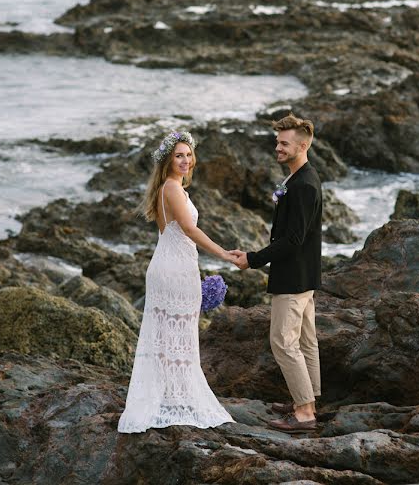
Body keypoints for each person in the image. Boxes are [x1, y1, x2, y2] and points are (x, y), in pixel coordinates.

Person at [118, 130, 235, 433]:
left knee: (174, 335)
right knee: (176, 334)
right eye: (178, 155)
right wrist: (222, 252)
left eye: (188, 154)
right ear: (168, 161)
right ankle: (174, 399)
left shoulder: (174, 190)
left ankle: (170, 396)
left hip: (173, 265)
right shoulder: (170, 188)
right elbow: (188, 228)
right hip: (173, 271)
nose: (185, 160)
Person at [232, 114, 322, 433]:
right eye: (277, 142)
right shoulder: (300, 179)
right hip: (305, 276)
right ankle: (308, 399)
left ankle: (304, 413)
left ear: (303, 144)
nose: (278, 148)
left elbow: (293, 240)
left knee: (283, 342)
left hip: (294, 278)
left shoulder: (304, 186)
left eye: (284, 143)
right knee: (305, 341)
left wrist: (253, 259)